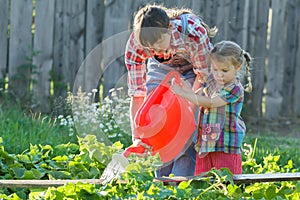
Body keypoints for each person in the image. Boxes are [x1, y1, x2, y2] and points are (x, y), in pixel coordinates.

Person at [124, 4, 217, 177]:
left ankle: (182, 181)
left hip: (193, 68)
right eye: (151, 48)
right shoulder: (136, 46)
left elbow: (202, 76)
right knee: (156, 120)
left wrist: (188, 111)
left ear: (170, 28)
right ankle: (161, 181)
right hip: (161, 68)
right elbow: (138, 96)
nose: (157, 50)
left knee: (188, 127)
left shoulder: (193, 33)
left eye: (159, 44)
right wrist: (138, 136)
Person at [171, 40, 252, 175]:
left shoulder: (234, 88)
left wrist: (184, 94)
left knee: (227, 182)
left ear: (237, 67)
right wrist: (185, 91)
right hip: (206, 143)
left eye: (224, 70)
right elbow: (198, 97)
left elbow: (211, 102)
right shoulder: (212, 83)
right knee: (203, 181)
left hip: (225, 144)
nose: (219, 74)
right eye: (215, 69)